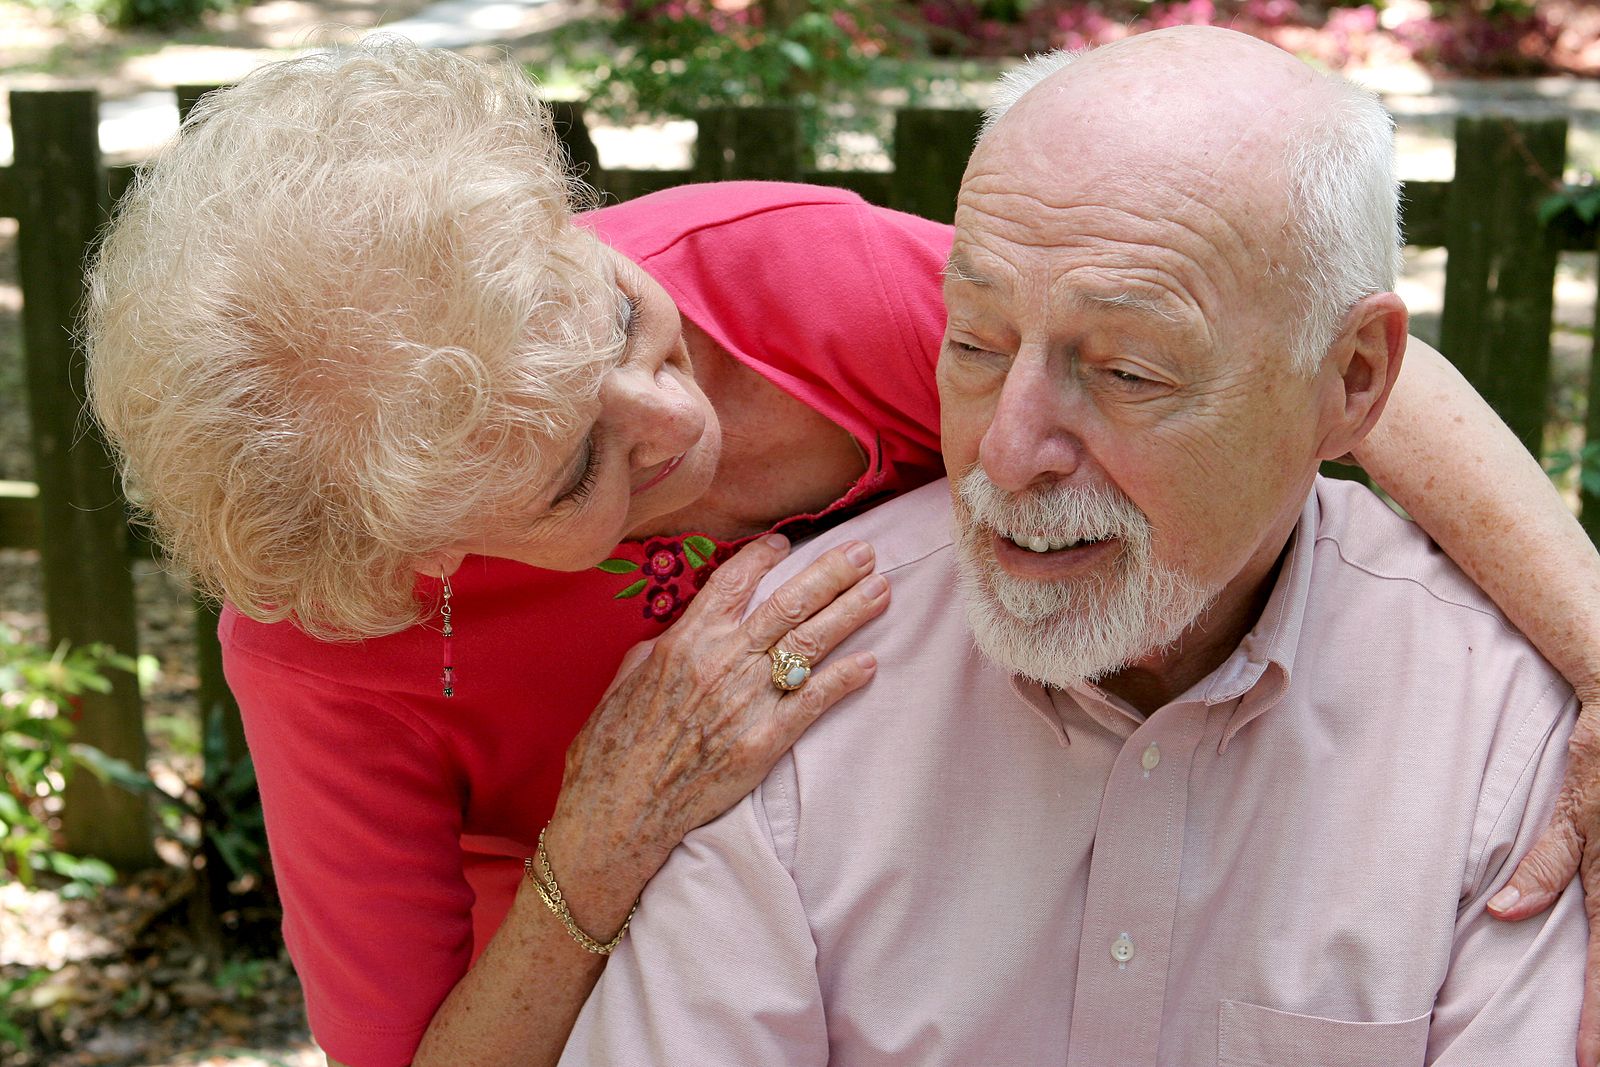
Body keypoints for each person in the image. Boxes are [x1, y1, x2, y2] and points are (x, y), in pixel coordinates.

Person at [81, 38, 1600, 1067]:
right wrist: (601, 836)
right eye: (573, 470)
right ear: (408, 545)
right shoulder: (328, 645)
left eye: (619, 317)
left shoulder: (781, 283)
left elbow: (1252, 349)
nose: (676, 418)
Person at [560, 27, 1587, 1066]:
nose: (1006, 454)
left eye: (1128, 371)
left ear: (1353, 379)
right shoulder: (775, 692)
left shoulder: (1503, 740)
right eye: (971, 343)